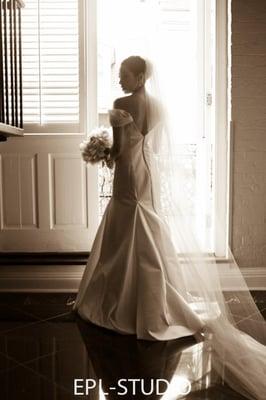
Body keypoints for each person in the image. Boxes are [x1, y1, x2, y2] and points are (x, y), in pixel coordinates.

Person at [74, 56, 266, 399]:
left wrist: (103, 151)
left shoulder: (120, 104)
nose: (120, 80)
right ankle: (153, 296)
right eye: (119, 76)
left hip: (128, 175)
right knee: (147, 225)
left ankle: (119, 300)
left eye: (124, 75)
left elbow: (119, 150)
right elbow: (157, 146)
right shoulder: (159, 106)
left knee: (123, 226)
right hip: (148, 172)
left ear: (139, 77)